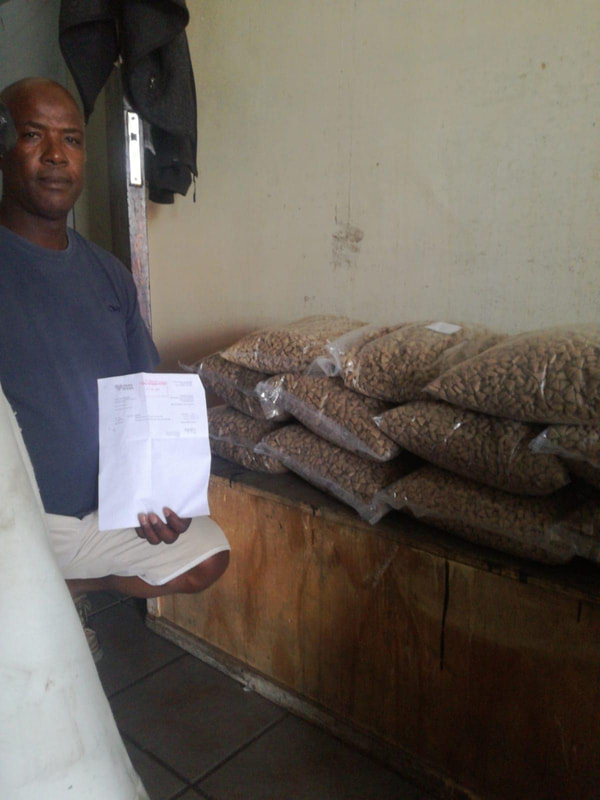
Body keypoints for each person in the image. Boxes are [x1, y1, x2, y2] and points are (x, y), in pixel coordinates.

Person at [0, 77, 230, 659]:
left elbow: (145, 397)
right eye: (33, 135)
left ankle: (64, 589)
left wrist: (160, 494)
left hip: (105, 512)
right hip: (17, 521)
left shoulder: (109, 275)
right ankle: (33, 591)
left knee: (206, 556)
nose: (57, 155)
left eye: (72, 139)